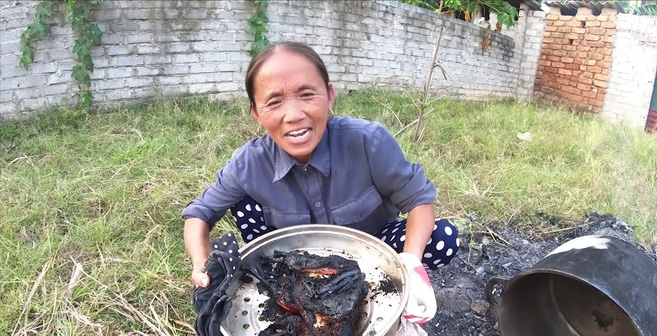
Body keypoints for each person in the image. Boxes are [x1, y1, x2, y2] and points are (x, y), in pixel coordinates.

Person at [182, 41, 460, 289]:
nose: (293, 115)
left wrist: (411, 265)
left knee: (442, 238)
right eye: (274, 102)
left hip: (370, 254)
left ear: (329, 96)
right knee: (244, 205)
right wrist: (200, 263)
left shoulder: (368, 142)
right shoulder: (248, 163)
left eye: (306, 94)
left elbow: (419, 201)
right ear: (256, 112)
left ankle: (375, 286)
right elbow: (199, 213)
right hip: (293, 262)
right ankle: (281, 284)